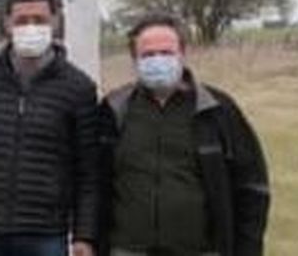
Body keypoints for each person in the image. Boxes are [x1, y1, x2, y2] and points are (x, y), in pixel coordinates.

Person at [98, 13, 269, 256]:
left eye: (166, 53)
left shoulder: (217, 110)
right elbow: (95, 184)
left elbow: (252, 188)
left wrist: (248, 249)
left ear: (183, 54)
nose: (158, 60)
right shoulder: (113, 110)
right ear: (134, 60)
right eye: (148, 55)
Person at [0, 0, 99, 256]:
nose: (30, 27)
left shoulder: (78, 87)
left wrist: (84, 235)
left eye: (39, 19)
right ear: (7, 23)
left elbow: (88, 171)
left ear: (55, 21)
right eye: (22, 20)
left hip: (45, 232)